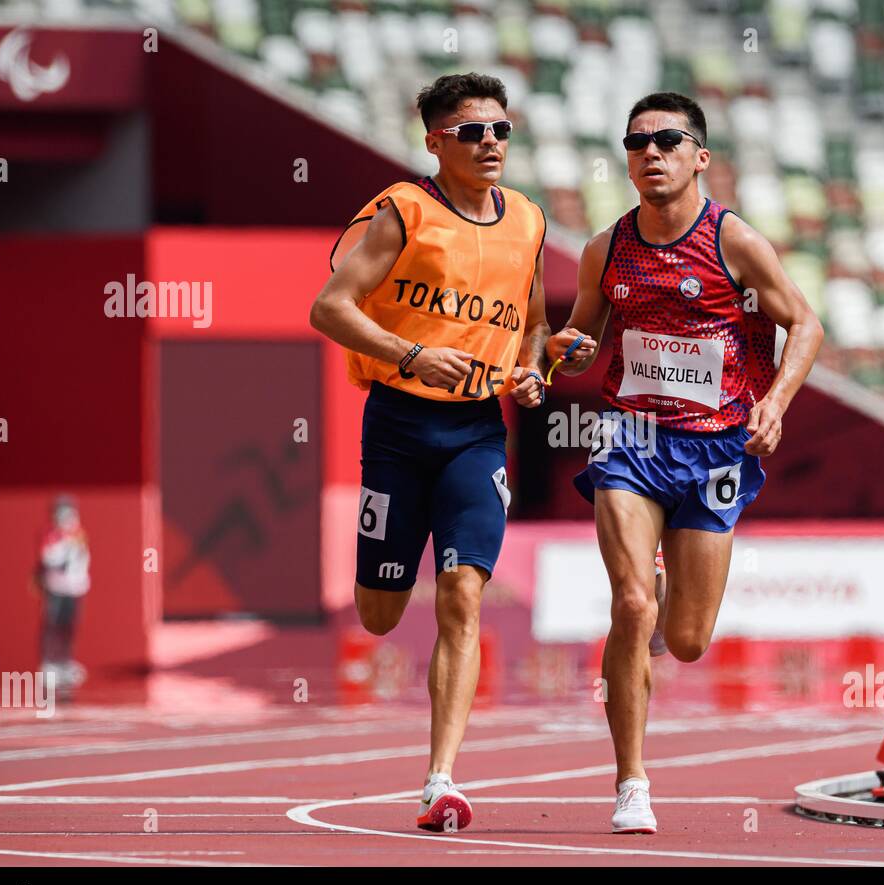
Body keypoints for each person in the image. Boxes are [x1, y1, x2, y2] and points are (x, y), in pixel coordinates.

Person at [546, 92, 824, 833]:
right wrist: (560, 351)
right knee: (631, 606)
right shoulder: (605, 247)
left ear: (699, 156)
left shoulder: (733, 241)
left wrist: (777, 403)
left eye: (668, 141)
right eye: (637, 143)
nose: (652, 154)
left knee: (689, 641)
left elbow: (805, 323)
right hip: (630, 439)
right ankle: (631, 782)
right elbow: (583, 334)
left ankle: (667, 596)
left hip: (716, 448)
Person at [310, 72, 548, 832]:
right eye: (474, 131)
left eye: (501, 130)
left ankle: (440, 777)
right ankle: (386, 585)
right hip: (397, 426)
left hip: (477, 430)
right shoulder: (402, 212)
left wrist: (537, 367)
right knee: (379, 614)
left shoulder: (530, 222)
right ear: (435, 141)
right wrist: (411, 355)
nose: (491, 144)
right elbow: (329, 308)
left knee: (462, 596)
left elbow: (535, 322)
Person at [36, 495, 91, 692]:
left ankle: (65, 662)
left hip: (73, 588)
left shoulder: (79, 535)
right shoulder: (51, 536)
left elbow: (83, 560)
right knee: (53, 625)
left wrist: (81, 578)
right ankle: (49, 662)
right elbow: (49, 559)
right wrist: (65, 548)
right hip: (56, 588)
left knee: (69, 626)